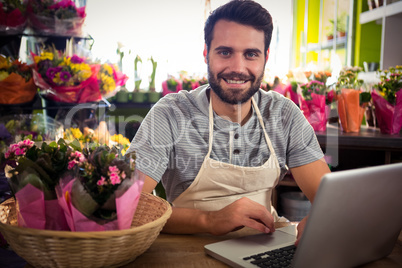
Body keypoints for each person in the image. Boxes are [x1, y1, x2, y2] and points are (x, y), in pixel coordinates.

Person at [127, 0, 330, 243]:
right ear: (206, 53)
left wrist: (323, 217)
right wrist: (209, 220)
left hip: (264, 245)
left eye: (251, 54)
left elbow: (327, 199)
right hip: (187, 249)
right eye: (225, 52)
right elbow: (127, 206)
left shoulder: (283, 114)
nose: (237, 68)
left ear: (265, 57)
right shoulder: (171, 114)